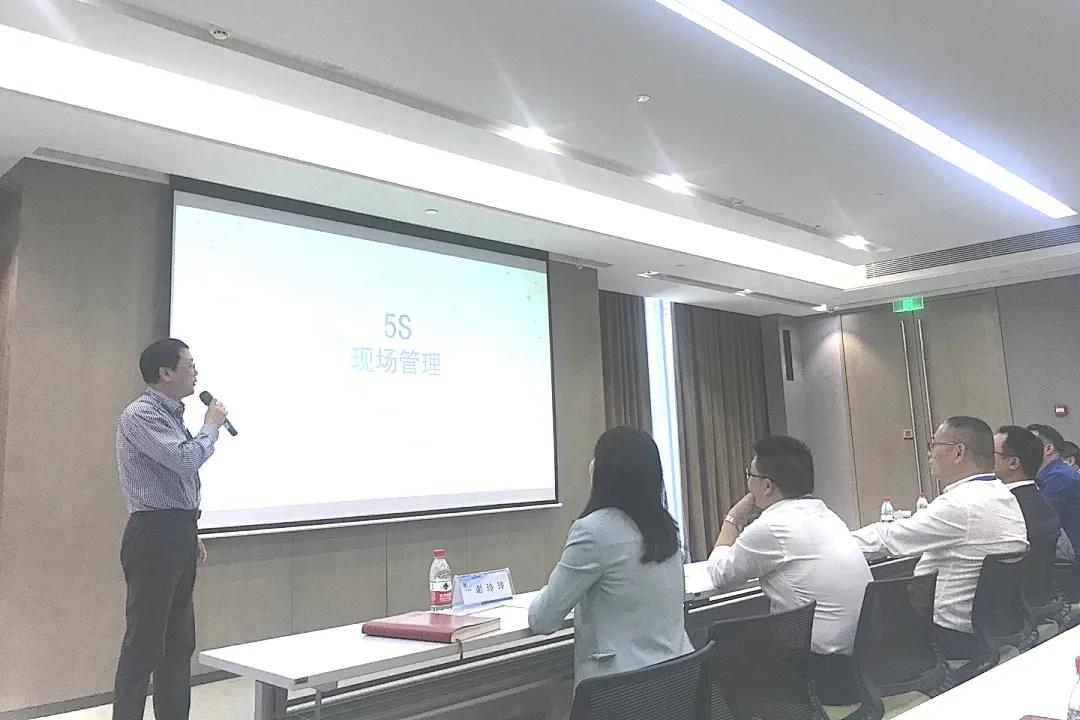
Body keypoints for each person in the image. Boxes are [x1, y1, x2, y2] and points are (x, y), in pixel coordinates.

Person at [707, 435, 871, 705]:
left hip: (819, 674)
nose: (747, 483)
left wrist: (733, 518)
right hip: (862, 665)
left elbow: (719, 574)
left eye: (750, 475)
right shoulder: (828, 515)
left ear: (767, 486)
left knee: (724, 651)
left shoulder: (771, 526)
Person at [112, 339, 228, 720]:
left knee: (179, 644)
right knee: (144, 645)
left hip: (177, 531)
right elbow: (184, 459)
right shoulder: (141, 415)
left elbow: (176, 483)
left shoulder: (172, 415)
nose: (195, 372)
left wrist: (190, 530)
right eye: (189, 365)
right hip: (153, 536)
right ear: (165, 373)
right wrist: (211, 428)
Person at [852, 416, 1028, 660]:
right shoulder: (1003, 496)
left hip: (943, 636)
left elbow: (888, 538)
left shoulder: (961, 504)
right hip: (987, 628)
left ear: (958, 452)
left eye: (934, 444)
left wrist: (834, 542)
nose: (929, 453)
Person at [529, 426, 693, 685]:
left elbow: (543, 620)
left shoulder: (592, 530)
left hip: (620, 691)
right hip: (677, 681)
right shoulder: (665, 527)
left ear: (604, 472)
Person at [994, 426, 1060, 550]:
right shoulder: (1040, 501)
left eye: (992, 453)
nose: (985, 458)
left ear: (1013, 463)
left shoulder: (1002, 506)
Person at [1026, 424, 1080, 569]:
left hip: (1069, 561)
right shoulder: (1051, 475)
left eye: (1029, 444)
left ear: (1048, 449)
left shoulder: (1059, 477)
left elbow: (1038, 521)